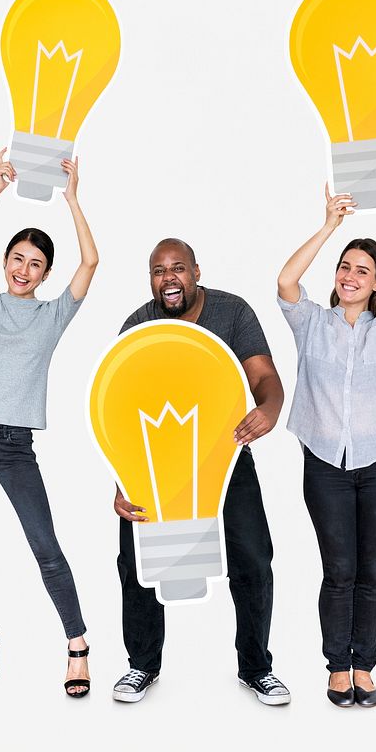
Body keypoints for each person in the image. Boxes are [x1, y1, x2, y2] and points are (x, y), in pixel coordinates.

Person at [112, 238, 291, 706]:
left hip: (225, 458)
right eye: (157, 271)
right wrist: (120, 484)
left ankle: (256, 668)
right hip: (154, 467)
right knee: (138, 565)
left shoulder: (231, 313)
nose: (168, 278)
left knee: (253, 560)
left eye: (177, 268)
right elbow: (117, 410)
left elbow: (264, 376)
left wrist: (270, 407)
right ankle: (141, 666)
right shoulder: (138, 326)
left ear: (196, 271)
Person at [0, 149, 98, 697]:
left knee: (45, 546)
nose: (22, 268)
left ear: (45, 274)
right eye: (16, 258)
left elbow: (90, 264)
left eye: (35, 263)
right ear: (6, 260)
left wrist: (73, 199)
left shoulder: (53, 315)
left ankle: (77, 643)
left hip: (14, 446)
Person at [276, 182, 376, 708]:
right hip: (325, 465)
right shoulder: (310, 322)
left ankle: (365, 666)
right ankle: (337, 667)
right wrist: (330, 225)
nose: (349, 276)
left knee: (374, 571)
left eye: (363, 270)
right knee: (338, 570)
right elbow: (286, 280)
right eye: (345, 266)